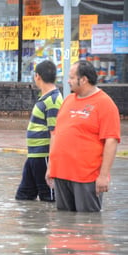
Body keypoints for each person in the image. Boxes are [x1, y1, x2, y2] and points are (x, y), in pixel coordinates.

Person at [46, 60, 121, 212]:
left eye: (72, 77)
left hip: (86, 177)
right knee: (63, 224)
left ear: (84, 79)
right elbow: (56, 133)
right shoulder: (68, 100)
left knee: (87, 225)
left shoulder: (105, 104)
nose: (68, 81)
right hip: (61, 173)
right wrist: (51, 167)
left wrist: (103, 176)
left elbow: (111, 141)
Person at [15, 60, 63, 202]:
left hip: (44, 156)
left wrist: (52, 164)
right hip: (35, 156)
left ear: (37, 76)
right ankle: (31, 223)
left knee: (48, 197)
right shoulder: (47, 98)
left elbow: (54, 133)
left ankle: (49, 223)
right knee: (23, 196)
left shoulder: (53, 101)